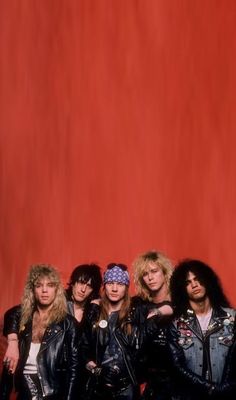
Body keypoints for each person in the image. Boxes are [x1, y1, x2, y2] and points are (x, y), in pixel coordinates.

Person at [2, 263, 102, 374]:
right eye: (81, 283)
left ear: (93, 290)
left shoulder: (94, 310)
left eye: (89, 286)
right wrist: (13, 342)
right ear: (73, 282)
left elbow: (84, 344)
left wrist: (92, 311)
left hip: (79, 372)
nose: (83, 289)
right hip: (51, 370)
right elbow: (13, 313)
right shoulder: (55, 299)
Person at [0, 264, 80, 400]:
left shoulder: (68, 323)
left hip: (51, 392)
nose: (44, 290)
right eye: (39, 285)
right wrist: (13, 342)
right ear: (32, 290)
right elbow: (10, 313)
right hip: (24, 391)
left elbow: (74, 369)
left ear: (57, 290)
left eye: (50, 285)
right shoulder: (24, 317)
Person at [168, 259, 236, 400]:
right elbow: (177, 367)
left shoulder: (231, 319)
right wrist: (210, 388)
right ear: (182, 289)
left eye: (198, 279)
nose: (194, 284)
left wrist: (226, 388)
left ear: (208, 281)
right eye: (188, 282)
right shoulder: (177, 324)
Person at [80, 263, 148, 400]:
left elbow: (167, 306)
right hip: (98, 388)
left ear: (126, 288)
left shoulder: (136, 312)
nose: (115, 289)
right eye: (110, 283)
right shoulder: (94, 313)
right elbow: (81, 349)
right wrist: (97, 370)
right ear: (104, 286)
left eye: (120, 284)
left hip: (127, 389)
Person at [132, 250, 174, 400]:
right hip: (148, 382)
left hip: (176, 381)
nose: (150, 278)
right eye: (145, 274)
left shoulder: (179, 302)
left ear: (164, 272)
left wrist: (159, 312)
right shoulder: (138, 304)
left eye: (154, 271)